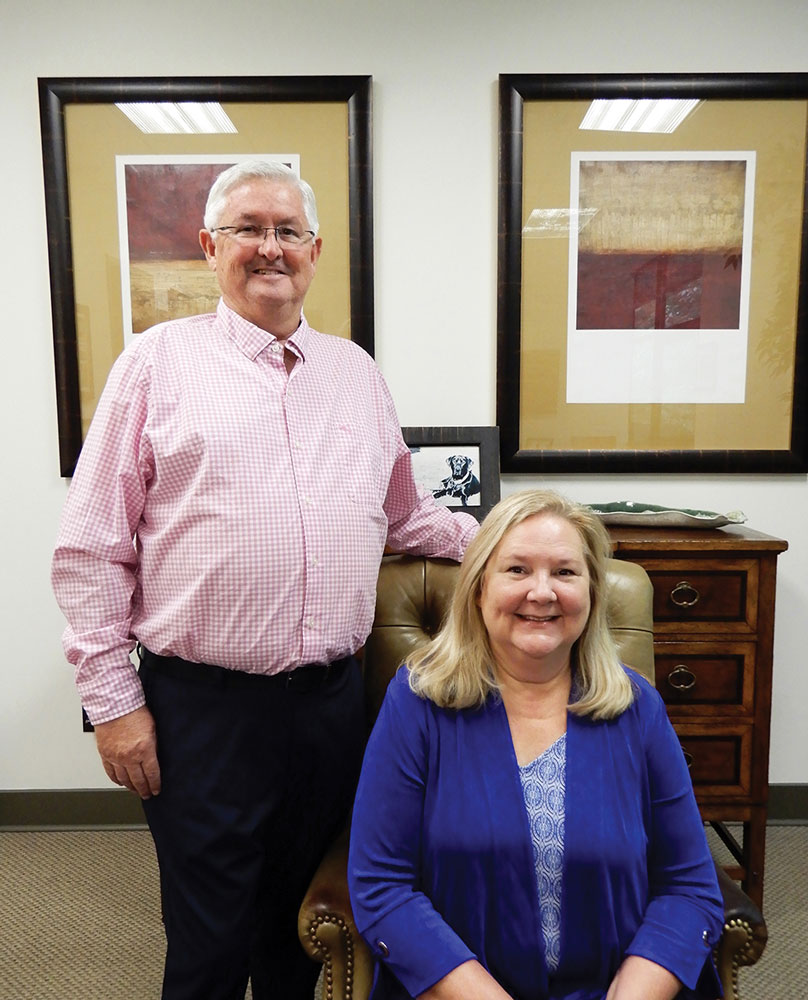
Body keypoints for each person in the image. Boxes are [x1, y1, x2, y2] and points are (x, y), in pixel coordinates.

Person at [51, 159, 478, 1000]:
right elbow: (91, 546)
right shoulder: (156, 364)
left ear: (315, 251)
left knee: (301, 933)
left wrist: (515, 538)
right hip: (200, 712)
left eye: (287, 231)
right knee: (210, 945)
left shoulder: (355, 373)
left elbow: (407, 517)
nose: (269, 247)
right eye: (249, 228)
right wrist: (113, 706)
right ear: (211, 247)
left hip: (329, 707)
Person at [348, 489, 724, 1000]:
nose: (542, 592)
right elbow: (382, 886)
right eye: (517, 570)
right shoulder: (417, 703)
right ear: (479, 588)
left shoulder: (638, 709)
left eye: (565, 573)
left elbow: (688, 888)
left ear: (592, 593)